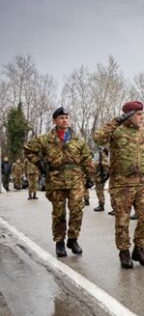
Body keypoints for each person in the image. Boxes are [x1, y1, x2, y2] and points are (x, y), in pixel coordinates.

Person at [24, 107, 95, 257]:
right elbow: (28, 150)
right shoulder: (45, 139)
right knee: (59, 213)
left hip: (76, 180)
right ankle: (59, 242)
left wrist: (90, 178)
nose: (65, 120)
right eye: (62, 118)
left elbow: (87, 160)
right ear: (55, 120)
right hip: (55, 181)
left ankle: (73, 239)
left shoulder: (78, 140)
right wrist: (39, 162)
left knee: (77, 211)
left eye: (67, 118)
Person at [93, 101, 144, 269]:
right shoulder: (116, 131)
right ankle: (124, 252)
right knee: (122, 221)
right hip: (121, 185)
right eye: (138, 114)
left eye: (142, 114)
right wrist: (116, 121)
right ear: (128, 115)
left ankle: (139, 249)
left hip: (142, 184)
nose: (142, 117)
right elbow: (98, 138)